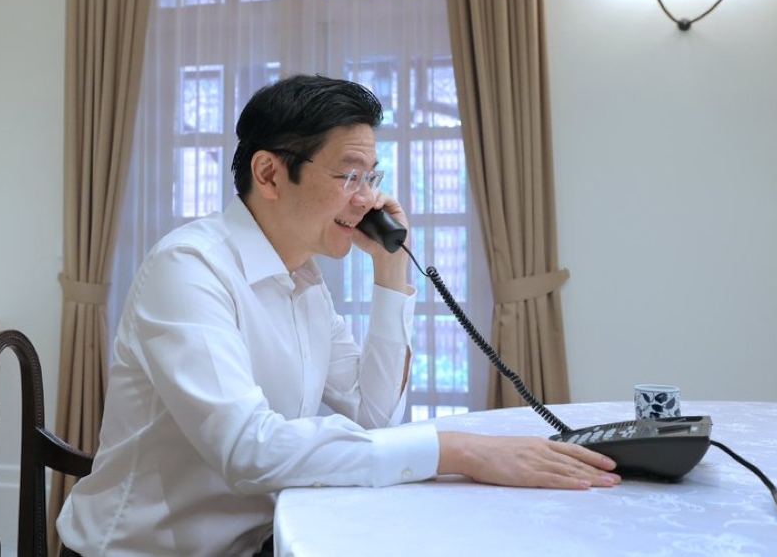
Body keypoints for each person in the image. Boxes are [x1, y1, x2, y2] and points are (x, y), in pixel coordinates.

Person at [56, 74, 620, 557]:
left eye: (372, 177)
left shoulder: (303, 277)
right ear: (271, 173)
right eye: (350, 176)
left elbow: (374, 414)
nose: (367, 200)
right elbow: (247, 451)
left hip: (265, 540)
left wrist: (391, 270)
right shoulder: (189, 268)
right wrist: (459, 450)